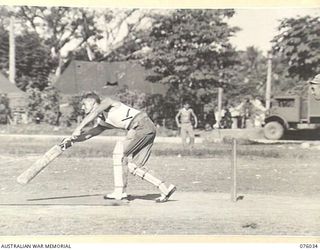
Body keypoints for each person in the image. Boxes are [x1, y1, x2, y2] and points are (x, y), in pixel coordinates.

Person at [62, 92, 176, 203]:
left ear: (92, 101)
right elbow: (91, 133)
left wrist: (78, 127)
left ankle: (119, 192)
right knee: (133, 166)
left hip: (140, 125)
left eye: (84, 104)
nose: (82, 108)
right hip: (145, 128)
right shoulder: (103, 120)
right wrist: (72, 140)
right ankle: (165, 188)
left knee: (119, 154)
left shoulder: (107, 102)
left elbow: (95, 112)